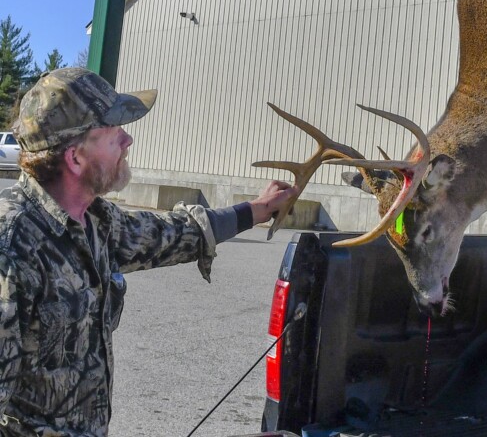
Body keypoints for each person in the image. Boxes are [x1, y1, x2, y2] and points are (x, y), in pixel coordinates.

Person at [0, 66, 298, 437]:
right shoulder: (12, 247)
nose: (127, 140)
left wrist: (255, 210)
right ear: (75, 159)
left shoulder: (96, 220)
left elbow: (172, 234)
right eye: (113, 135)